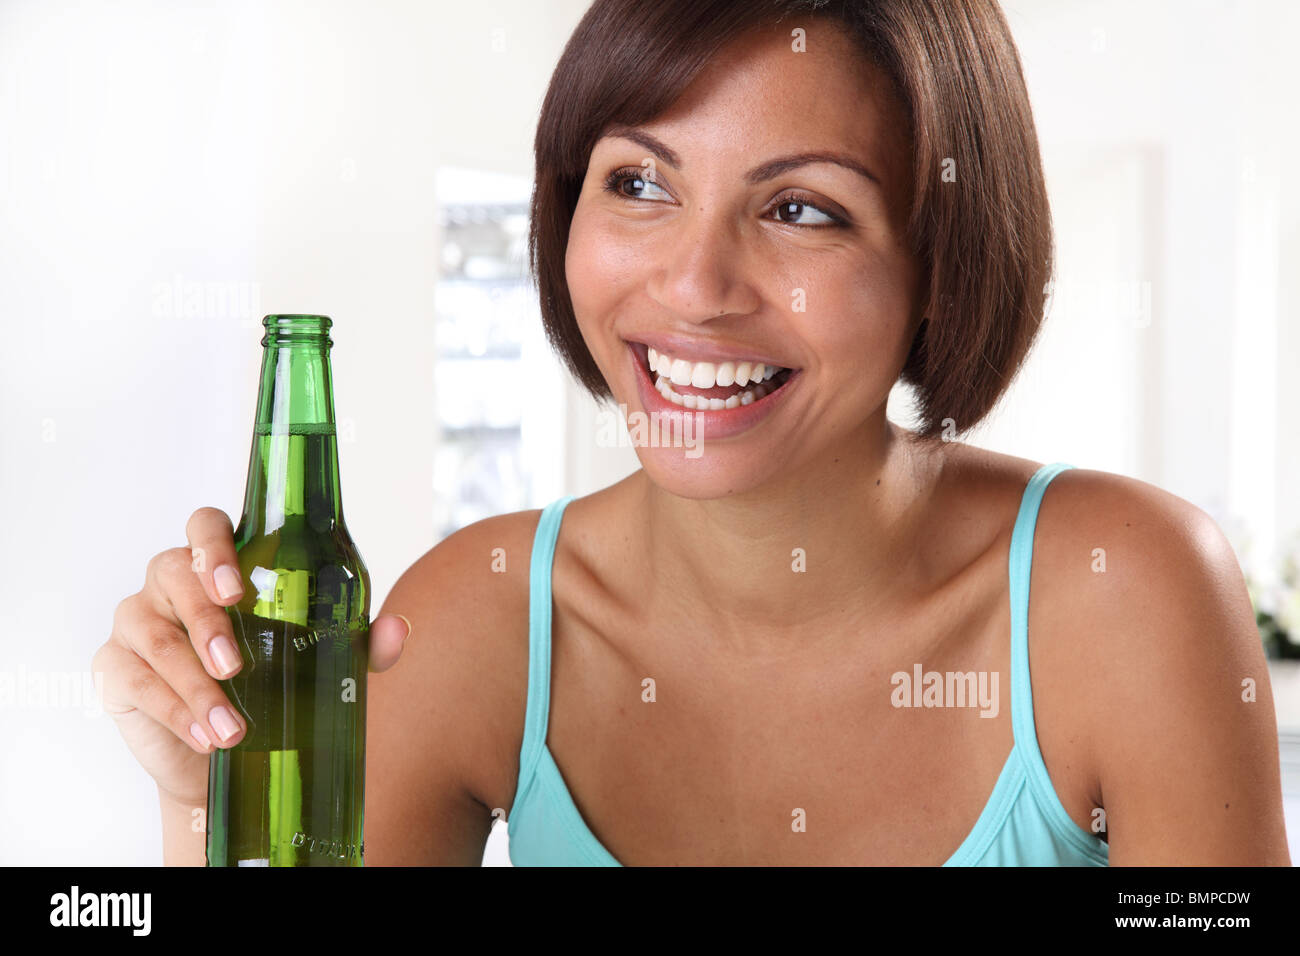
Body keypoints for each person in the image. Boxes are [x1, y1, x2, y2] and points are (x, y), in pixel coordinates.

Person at [97, 0, 1291, 865]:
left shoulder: (1125, 590)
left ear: (940, 262)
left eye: (800, 209)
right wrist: (208, 799)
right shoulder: (479, 618)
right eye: (638, 184)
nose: (696, 283)